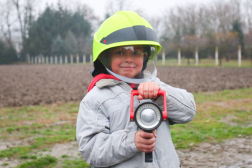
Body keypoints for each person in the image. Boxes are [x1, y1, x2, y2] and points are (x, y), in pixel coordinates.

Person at [76, 11, 196, 168]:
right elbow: (91, 150)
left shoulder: (155, 85)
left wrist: (160, 94)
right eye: (120, 52)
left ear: (145, 57)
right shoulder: (96, 99)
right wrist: (132, 141)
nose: (129, 59)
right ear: (105, 57)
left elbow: (189, 112)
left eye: (136, 52)